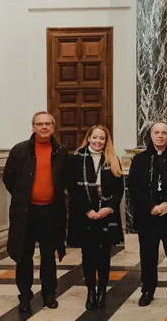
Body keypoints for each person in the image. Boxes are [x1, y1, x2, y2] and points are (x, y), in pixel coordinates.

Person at [3, 111, 68, 313]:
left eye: (48, 123)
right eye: (39, 123)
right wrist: (24, 197)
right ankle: (24, 296)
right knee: (24, 256)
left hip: (51, 212)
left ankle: (49, 294)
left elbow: (65, 179)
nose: (44, 127)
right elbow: (9, 179)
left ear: (53, 127)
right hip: (26, 213)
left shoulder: (61, 151)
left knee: (49, 255)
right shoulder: (19, 150)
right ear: (33, 126)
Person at [127, 122, 167, 307]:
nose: (160, 136)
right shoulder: (139, 159)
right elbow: (133, 186)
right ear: (151, 135)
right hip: (147, 217)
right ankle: (147, 290)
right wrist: (150, 206)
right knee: (148, 257)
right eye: (157, 132)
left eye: (164, 133)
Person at [66, 125, 124, 310]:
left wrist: (109, 208)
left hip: (106, 214)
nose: (98, 141)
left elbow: (119, 189)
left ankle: (102, 292)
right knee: (88, 256)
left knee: (104, 256)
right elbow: (73, 190)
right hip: (85, 215)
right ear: (88, 138)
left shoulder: (113, 160)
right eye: (95, 137)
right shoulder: (76, 159)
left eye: (102, 138)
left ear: (106, 141)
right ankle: (91, 291)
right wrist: (87, 211)